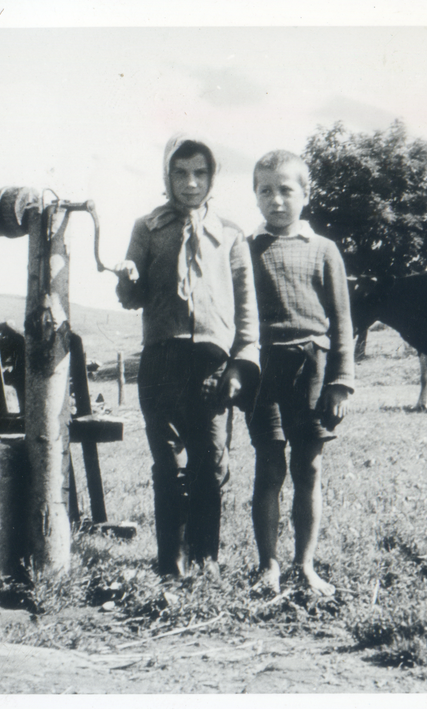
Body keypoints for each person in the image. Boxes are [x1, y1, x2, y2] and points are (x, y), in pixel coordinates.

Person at [115, 134, 260, 578]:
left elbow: (246, 306)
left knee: (210, 460)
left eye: (200, 173)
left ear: (213, 177)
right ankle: (171, 563)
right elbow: (132, 297)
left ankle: (206, 559)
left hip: (211, 364)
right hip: (161, 360)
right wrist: (128, 277)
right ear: (167, 176)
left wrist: (241, 362)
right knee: (169, 462)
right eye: (180, 173)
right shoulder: (148, 228)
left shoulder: (231, 235)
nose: (190, 183)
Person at [246, 150, 354, 595]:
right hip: (264, 370)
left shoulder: (324, 250)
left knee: (308, 466)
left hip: (313, 367)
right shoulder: (247, 249)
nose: (276, 200)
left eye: (286, 190)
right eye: (265, 190)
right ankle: (267, 566)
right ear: (255, 196)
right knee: (268, 466)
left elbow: (343, 319)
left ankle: (305, 566)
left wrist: (341, 381)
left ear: (305, 194)